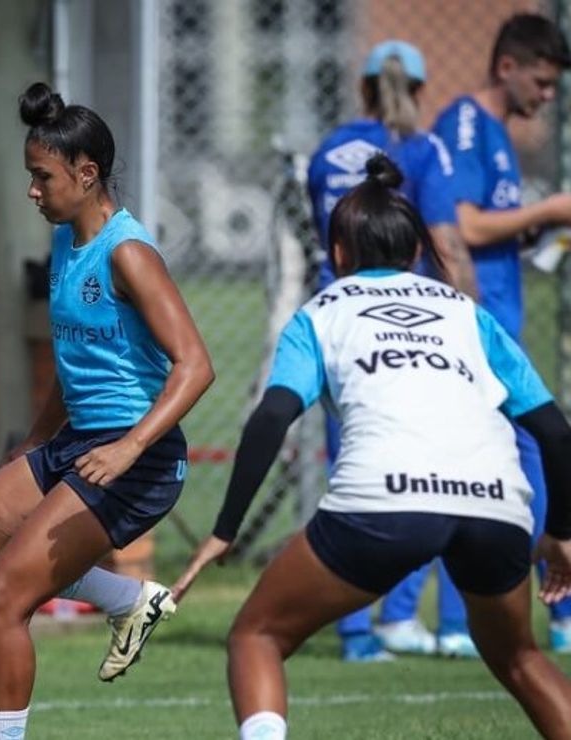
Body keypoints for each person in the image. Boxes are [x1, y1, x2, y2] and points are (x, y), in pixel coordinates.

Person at [173, 153, 571, 740]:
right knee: (520, 658)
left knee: (257, 635)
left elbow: (273, 417)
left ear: (337, 253)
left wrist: (225, 530)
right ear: (417, 252)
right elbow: (556, 432)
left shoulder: (321, 314)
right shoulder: (469, 315)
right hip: (495, 503)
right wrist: (561, 532)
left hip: (384, 500)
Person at [0, 82, 214, 740]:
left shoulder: (128, 252)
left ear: (86, 176)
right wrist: (37, 439)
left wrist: (130, 447)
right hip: (77, 441)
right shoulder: (65, 240)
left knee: (3, 597)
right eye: (31, 175)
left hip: (138, 457)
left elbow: (196, 365)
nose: (32, 191)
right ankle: (127, 599)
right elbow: (76, 358)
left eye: (43, 177)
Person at [306, 40, 479, 661]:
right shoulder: (423, 150)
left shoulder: (327, 152)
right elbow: (448, 247)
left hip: (336, 325)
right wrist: (472, 324)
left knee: (349, 472)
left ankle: (359, 630)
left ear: (364, 87)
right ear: (420, 90)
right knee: (437, 471)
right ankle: (435, 620)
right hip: (407, 332)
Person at [430, 12, 571, 650]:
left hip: (499, 331)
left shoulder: (498, 135)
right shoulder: (465, 123)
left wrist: (534, 227)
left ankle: (534, 614)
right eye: (541, 82)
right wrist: (550, 208)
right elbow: (460, 223)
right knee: (505, 465)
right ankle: (473, 621)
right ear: (506, 66)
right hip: (474, 332)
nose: (547, 95)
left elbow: (492, 223)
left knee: (513, 467)